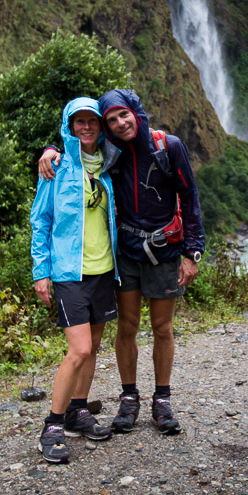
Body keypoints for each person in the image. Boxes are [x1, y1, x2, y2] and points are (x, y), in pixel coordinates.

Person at [38, 89, 205, 436]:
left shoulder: (168, 146)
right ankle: (129, 397)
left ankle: (162, 399)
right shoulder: (109, 154)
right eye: (111, 119)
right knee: (126, 327)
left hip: (163, 250)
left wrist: (193, 251)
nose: (119, 123)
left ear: (136, 113)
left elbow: (189, 197)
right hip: (126, 252)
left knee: (162, 328)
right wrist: (50, 149)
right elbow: (71, 149)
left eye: (122, 115)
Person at [30, 97, 120, 463]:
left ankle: (77, 412)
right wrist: (42, 272)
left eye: (92, 122)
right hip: (69, 272)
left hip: (104, 270)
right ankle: (51, 425)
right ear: (69, 126)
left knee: (94, 348)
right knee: (79, 349)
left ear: (100, 127)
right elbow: (41, 222)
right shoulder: (56, 166)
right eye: (79, 121)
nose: (86, 127)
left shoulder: (109, 166)